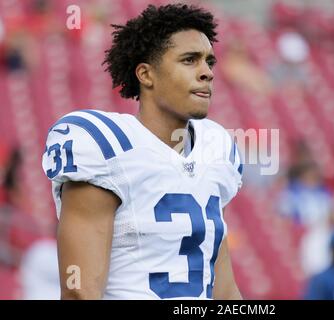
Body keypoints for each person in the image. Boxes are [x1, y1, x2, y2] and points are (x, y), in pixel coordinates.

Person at [41, 4, 243, 300]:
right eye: (190, 60)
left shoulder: (217, 148)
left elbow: (223, 288)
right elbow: (79, 292)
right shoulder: (106, 148)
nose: (206, 73)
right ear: (146, 75)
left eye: (209, 62)